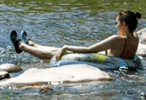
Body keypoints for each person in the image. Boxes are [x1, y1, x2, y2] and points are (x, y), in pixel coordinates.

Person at [10, 10, 141, 60]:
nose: (115, 25)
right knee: (57, 49)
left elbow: (90, 49)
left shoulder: (117, 39)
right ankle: (31, 44)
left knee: (57, 52)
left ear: (123, 24)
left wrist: (66, 46)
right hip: (114, 60)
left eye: (116, 23)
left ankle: (21, 46)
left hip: (99, 61)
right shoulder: (135, 37)